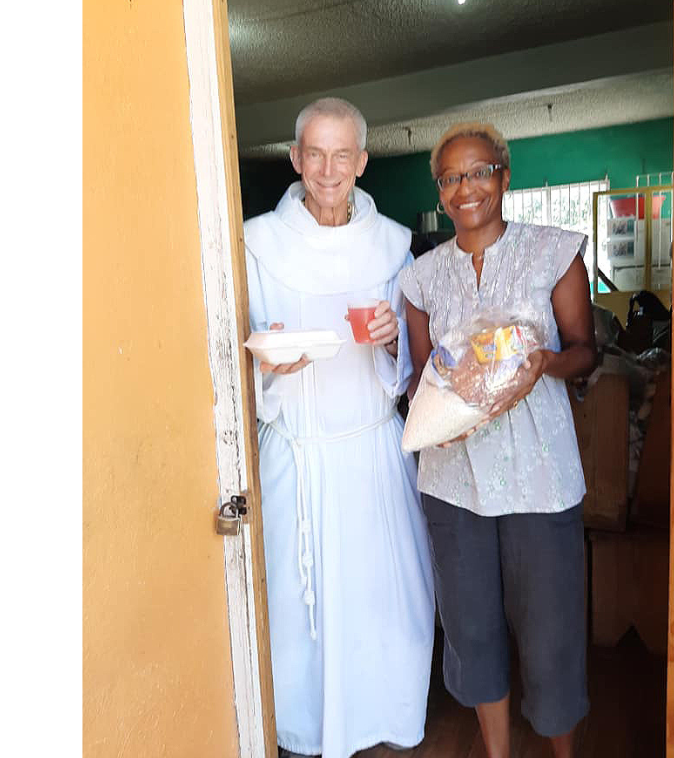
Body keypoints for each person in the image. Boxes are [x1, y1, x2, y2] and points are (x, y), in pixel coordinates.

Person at [243, 97, 435, 758]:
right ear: (296, 159)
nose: (328, 169)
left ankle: (383, 720)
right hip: (296, 454)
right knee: (301, 616)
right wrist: (268, 357)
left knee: (389, 605)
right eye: (314, 153)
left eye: (342, 154)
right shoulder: (256, 243)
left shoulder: (393, 247)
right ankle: (305, 732)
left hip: (373, 453)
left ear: (362, 161)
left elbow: (416, 359)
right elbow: (240, 348)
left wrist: (390, 343)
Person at [398, 122, 598, 758]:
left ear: (504, 178)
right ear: (441, 191)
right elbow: (423, 380)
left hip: (541, 478)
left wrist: (544, 363)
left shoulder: (553, 252)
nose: (466, 188)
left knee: (552, 633)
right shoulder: (423, 278)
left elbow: (587, 352)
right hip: (454, 481)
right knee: (473, 630)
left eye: (479, 171)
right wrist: (433, 391)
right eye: (452, 177)